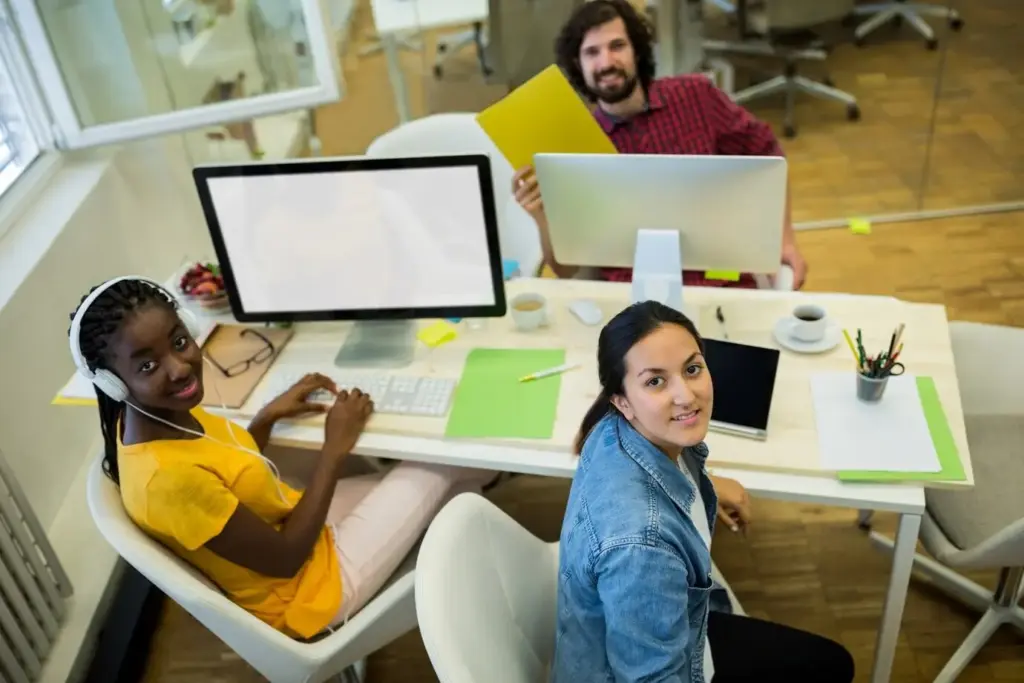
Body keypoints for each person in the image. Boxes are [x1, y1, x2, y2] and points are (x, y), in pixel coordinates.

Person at [69, 277, 493, 639]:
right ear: (112, 383)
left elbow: (226, 472)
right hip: (308, 591)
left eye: (180, 342)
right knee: (444, 459)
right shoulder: (168, 480)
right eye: (147, 366)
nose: (179, 367)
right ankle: (479, 588)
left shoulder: (152, 420)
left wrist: (268, 415)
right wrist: (334, 448)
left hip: (293, 527)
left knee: (457, 487)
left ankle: (472, 562)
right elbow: (286, 559)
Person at [553, 300, 854, 682]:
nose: (686, 396)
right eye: (655, 381)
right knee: (833, 666)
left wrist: (705, 485)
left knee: (830, 662)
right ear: (622, 400)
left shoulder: (618, 430)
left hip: (682, 640)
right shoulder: (643, 547)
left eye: (692, 369)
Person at [512, 0, 808, 290]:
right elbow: (567, 271)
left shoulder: (696, 96)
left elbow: (766, 152)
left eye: (617, 46)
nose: (606, 62)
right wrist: (542, 218)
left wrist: (785, 240)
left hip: (718, 283)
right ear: (579, 64)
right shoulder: (576, 145)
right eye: (592, 52)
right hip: (631, 300)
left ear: (637, 51)